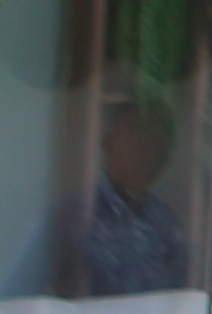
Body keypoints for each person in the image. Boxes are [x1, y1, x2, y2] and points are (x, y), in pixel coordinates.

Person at [60, 97, 195, 299]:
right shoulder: (73, 216)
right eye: (139, 135)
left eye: (159, 139)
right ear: (109, 143)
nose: (151, 148)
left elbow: (180, 300)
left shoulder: (165, 222)